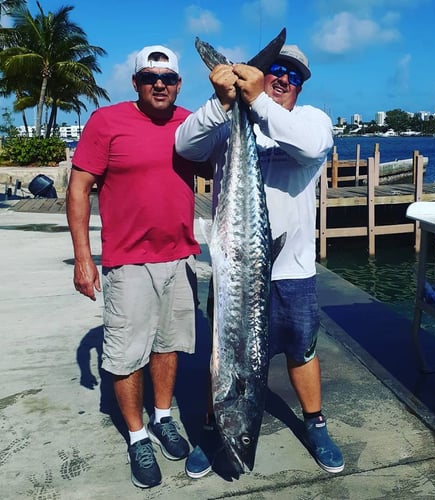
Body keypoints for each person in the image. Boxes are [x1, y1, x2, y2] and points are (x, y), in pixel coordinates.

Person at [175, 43, 345, 477]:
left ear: (301, 86)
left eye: (295, 75)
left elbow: (310, 147)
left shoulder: (310, 121)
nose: (285, 78)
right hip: (236, 268)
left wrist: (256, 101)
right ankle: (215, 427)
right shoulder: (228, 123)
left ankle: (315, 423)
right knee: (224, 353)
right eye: (276, 70)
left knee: (301, 350)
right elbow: (185, 145)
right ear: (259, 73)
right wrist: (223, 102)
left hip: (293, 269)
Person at [66, 45, 206, 489]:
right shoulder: (106, 122)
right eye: (150, 78)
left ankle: (163, 417)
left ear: (179, 84)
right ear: (136, 83)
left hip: (180, 258)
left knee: (168, 346)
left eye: (166, 78)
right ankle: (137, 434)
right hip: (127, 263)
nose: (159, 84)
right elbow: (79, 188)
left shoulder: (191, 123)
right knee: (126, 354)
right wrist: (84, 259)